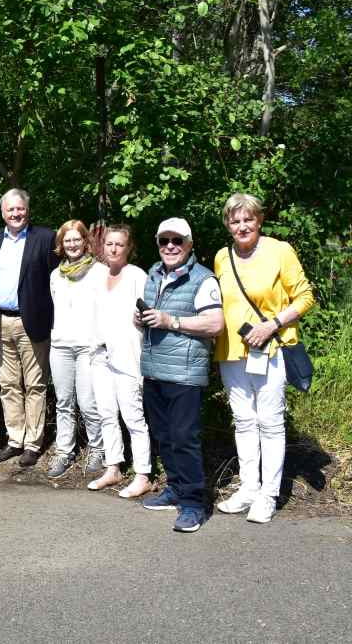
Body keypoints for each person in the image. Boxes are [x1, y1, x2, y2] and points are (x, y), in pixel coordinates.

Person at [213, 193, 315, 523]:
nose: (242, 226)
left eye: (248, 219)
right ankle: (248, 488)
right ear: (228, 224)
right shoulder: (221, 257)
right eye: (235, 220)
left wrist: (272, 324)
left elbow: (305, 297)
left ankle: (268, 496)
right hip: (231, 352)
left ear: (259, 220)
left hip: (270, 349)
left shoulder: (279, 251)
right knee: (243, 420)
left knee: (269, 422)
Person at [136, 218, 224, 533]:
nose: (170, 246)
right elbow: (154, 320)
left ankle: (193, 503)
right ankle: (175, 489)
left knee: (185, 439)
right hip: (154, 370)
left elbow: (215, 324)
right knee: (163, 435)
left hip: (185, 374)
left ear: (189, 244)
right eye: (164, 241)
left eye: (177, 240)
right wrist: (142, 319)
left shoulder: (203, 279)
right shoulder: (152, 274)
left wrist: (169, 321)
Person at [0, 188, 58, 467]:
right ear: (3, 212)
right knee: (9, 385)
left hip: (33, 322)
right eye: (10, 210)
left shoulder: (45, 238)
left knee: (35, 384)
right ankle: (15, 440)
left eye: (20, 209)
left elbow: (57, 281)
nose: (16, 214)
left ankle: (33, 444)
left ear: (27, 209)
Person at [88, 225, 152, 497]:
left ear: (129, 248)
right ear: (103, 247)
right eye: (109, 244)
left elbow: (148, 313)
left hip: (127, 356)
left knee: (133, 417)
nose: (113, 249)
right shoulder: (98, 276)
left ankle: (143, 474)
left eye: (119, 245)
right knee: (106, 414)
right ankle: (113, 467)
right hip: (100, 354)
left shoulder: (136, 275)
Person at [46, 220, 106, 478]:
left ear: (85, 242)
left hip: (88, 347)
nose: (71, 244)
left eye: (76, 239)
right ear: (61, 244)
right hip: (60, 345)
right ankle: (64, 451)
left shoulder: (100, 272)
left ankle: (98, 448)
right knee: (63, 402)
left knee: (88, 402)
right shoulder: (55, 276)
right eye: (66, 240)